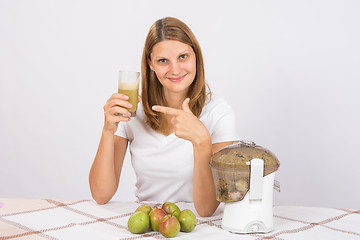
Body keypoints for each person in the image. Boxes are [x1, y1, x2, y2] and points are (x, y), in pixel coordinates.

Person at [89, 17, 239, 217]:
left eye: (183, 57)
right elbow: (101, 194)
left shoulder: (218, 113)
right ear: (150, 63)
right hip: (148, 222)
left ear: (196, 57)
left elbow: (206, 209)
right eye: (162, 61)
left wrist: (202, 141)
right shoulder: (133, 110)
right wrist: (108, 130)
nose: (175, 69)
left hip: (198, 226)